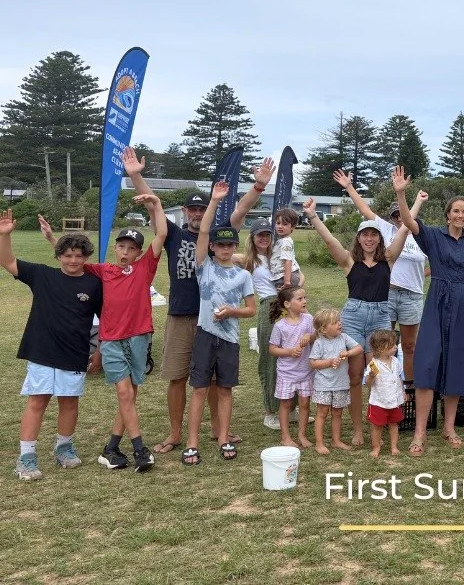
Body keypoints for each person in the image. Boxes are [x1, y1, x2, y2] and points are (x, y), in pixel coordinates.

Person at [122, 147, 274, 454]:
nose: (195, 213)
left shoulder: (217, 236)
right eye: (191, 209)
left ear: (208, 213)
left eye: (200, 209)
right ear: (185, 212)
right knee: (178, 377)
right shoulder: (174, 234)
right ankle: (175, 433)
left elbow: (241, 210)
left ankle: (220, 430)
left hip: (217, 318)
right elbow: (153, 204)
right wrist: (136, 174)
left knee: (217, 378)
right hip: (182, 314)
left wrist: (258, 186)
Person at [0, 210, 103, 481]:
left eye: (79, 256)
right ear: (58, 256)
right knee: (38, 401)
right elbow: (7, 261)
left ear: (86, 258)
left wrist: (99, 351)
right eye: (67, 255)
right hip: (42, 351)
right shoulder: (41, 275)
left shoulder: (94, 285)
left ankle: (64, 448)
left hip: (75, 353)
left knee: (69, 402)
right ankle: (26, 456)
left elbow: (106, 321)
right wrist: (5, 235)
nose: (73, 260)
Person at [391, 166, 464, 457]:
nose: (460, 215)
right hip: (436, 301)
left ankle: (449, 427)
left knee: (456, 364)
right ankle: (420, 433)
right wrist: (401, 193)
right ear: (447, 214)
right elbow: (408, 220)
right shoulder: (433, 236)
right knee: (427, 364)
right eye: (455, 211)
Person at [304, 193, 409, 447]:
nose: (370, 239)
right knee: (352, 375)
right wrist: (313, 216)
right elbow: (329, 241)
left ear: (379, 239)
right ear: (359, 238)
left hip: (380, 316)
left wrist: (410, 200)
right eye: (365, 235)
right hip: (352, 317)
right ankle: (358, 429)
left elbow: (405, 228)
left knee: (378, 371)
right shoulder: (349, 261)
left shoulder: (389, 259)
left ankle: (377, 421)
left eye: (374, 235)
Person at [85, 193, 166, 473]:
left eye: (131, 248)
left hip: (140, 336)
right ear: (115, 248)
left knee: (130, 395)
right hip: (111, 339)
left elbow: (162, 233)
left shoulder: (145, 268)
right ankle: (140, 449)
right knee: (124, 391)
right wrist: (50, 240)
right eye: (120, 246)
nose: (124, 252)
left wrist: (156, 205)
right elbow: (72, 261)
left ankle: (110, 448)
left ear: (138, 253)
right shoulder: (103, 270)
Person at [181, 182, 257, 465]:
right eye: (220, 244)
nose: (225, 249)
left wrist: (231, 313)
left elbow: (250, 310)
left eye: (230, 244)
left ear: (235, 246)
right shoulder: (204, 267)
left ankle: (224, 437)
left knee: (225, 389)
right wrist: (213, 201)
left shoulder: (243, 276)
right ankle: (192, 442)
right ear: (212, 247)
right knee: (200, 388)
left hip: (230, 339)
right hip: (204, 334)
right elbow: (202, 230)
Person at [332, 169, 428, 381]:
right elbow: (365, 209)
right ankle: (381, 385)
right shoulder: (385, 230)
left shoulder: (421, 236)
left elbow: (430, 263)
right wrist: (349, 187)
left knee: (409, 346)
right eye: (395, 215)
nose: (399, 219)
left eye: (401, 215)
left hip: (412, 295)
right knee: (383, 347)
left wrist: (423, 274)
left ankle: (407, 385)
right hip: (386, 294)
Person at [234, 219, 280, 430]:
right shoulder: (249, 260)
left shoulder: (278, 256)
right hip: (269, 305)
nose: (263, 238)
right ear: (252, 237)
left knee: (291, 358)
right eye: (259, 234)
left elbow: (301, 276)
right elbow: (218, 254)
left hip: (289, 304)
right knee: (269, 359)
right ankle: (270, 411)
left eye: (267, 234)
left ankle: (290, 408)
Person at [309, 307, 364, 454]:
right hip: (323, 385)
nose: (340, 324)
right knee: (322, 413)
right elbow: (313, 363)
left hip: (341, 384)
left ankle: (336, 440)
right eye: (335, 322)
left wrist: (348, 352)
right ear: (323, 329)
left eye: (339, 321)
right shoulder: (319, 343)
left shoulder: (344, 338)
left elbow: (359, 348)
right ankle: (319, 443)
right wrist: (329, 362)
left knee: (338, 413)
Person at [268, 286, 314, 448]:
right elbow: (272, 349)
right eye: (300, 299)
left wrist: (310, 336)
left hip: (306, 372)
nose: (304, 301)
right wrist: (289, 351)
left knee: (305, 404)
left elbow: (317, 335)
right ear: (287, 304)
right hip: (286, 373)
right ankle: (285, 437)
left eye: (304, 298)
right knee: (286, 404)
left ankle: (302, 435)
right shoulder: (280, 326)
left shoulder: (309, 319)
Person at [364, 329, 406, 458]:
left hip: (394, 400)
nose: (395, 347)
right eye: (392, 345)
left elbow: (399, 377)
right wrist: (371, 376)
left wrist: (403, 391)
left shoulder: (396, 361)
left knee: (394, 424)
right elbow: (367, 384)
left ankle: (394, 447)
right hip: (379, 401)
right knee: (377, 426)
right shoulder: (373, 364)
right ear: (381, 348)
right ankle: (376, 447)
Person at [271, 208, 301, 289]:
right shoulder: (281, 241)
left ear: (293, 227)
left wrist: (287, 281)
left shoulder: (286, 241)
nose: (280, 226)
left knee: (286, 300)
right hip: (281, 276)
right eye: (278, 223)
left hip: (285, 276)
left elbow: (287, 260)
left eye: (284, 224)